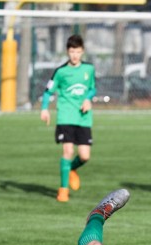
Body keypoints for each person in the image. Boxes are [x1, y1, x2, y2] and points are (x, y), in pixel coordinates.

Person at [40, 35, 96, 203]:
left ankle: (71, 169)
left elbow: (92, 89)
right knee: (68, 151)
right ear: (67, 51)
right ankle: (63, 190)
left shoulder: (89, 69)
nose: (75, 55)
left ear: (82, 51)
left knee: (85, 156)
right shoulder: (60, 71)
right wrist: (44, 109)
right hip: (65, 116)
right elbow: (48, 91)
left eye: (78, 52)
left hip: (83, 118)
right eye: (72, 51)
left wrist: (88, 99)